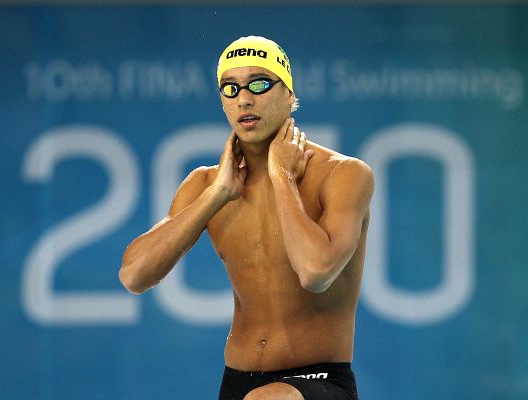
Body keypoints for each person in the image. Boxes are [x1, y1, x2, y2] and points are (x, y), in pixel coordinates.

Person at [119, 36, 374, 400]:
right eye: (230, 88)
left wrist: (282, 177)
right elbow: (133, 276)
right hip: (237, 384)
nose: (244, 98)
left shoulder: (344, 174)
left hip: (319, 382)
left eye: (258, 83)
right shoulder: (206, 184)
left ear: (289, 94)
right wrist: (217, 195)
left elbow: (316, 273)